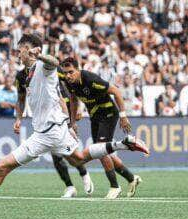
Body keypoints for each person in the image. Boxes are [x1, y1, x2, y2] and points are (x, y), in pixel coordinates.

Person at [0, 33, 149, 218]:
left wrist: (41, 55)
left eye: (21, 50)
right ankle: (124, 143)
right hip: (45, 132)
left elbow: (54, 63)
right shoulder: (26, 73)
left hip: (52, 131)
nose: (19, 54)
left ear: (31, 50)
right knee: (75, 159)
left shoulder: (44, 68)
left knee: (5, 166)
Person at [59, 57, 143, 199]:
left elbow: (115, 91)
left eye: (71, 72)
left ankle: (115, 187)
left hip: (108, 113)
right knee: (101, 151)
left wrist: (123, 116)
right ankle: (131, 178)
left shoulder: (91, 80)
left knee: (100, 150)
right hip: (95, 116)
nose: (68, 76)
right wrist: (72, 122)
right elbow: (73, 100)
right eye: (66, 73)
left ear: (78, 70)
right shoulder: (70, 83)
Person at [15, 62, 93, 198]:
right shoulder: (21, 76)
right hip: (48, 117)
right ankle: (70, 186)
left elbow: (72, 84)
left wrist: (76, 110)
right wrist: (18, 119)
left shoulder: (50, 68)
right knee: (57, 155)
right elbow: (21, 98)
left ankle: (84, 174)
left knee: (70, 154)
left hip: (65, 111)